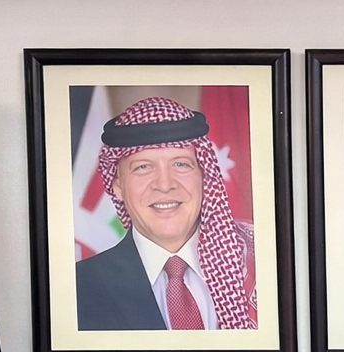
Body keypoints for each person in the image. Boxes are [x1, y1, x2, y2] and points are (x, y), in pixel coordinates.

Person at [76, 97, 257, 332]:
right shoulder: (78, 289)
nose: (164, 184)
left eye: (181, 164)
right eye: (143, 167)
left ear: (205, 175)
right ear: (118, 186)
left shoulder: (262, 260)